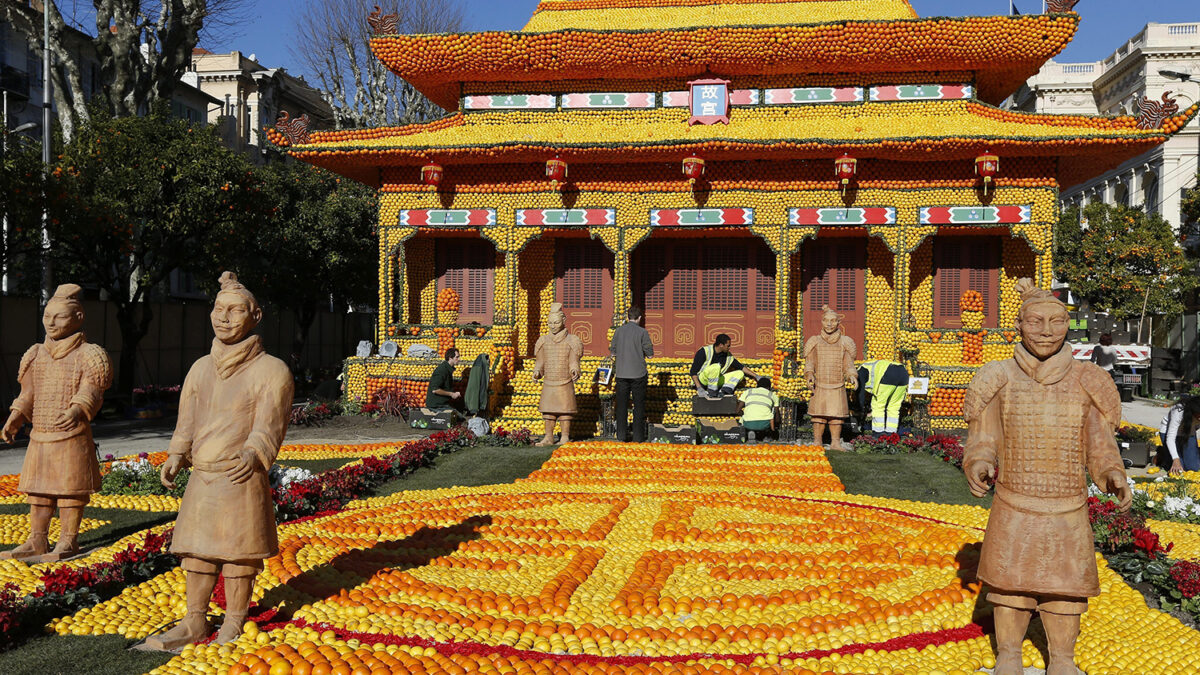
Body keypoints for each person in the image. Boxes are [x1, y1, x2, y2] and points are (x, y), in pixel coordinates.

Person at [963, 278, 1130, 675]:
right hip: (1013, 499)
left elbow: (1099, 442)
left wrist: (1111, 472)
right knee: (1008, 585)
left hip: (1066, 504)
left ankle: (1063, 659)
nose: (1046, 331)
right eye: (1036, 321)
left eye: (1056, 322)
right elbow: (984, 436)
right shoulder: (998, 377)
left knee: (1066, 588)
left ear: (1067, 325)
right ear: (1018, 325)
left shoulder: (1087, 380)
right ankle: (1009, 654)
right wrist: (979, 462)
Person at [150, 272, 293, 649]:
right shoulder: (200, 367)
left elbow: (270, 422)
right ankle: (194, 620)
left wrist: (254, 452)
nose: (224, 317)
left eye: (235, 310)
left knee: (238, 554)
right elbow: (188, 418)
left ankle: (234, 620)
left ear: (256, 316)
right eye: (218, 309)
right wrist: (178, 453)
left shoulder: (272, 370)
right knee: (196, 552)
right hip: (204, 475)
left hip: (240, 475)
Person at [0, 284, 112, 562]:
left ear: (78, 317)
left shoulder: (90, 353)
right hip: (40, 433)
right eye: (47, 316)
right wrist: (15, 417)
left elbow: (92, 389)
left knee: (70, 490)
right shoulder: (36, 353)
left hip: (71, 434)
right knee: (38, 490)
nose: (51, 322)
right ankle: (37, 540)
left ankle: (68, 541)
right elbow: (29, 393)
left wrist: (77, 409)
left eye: (59, 317)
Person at [804, 306, 857, 451]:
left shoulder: (845, 342)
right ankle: (817, 441)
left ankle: (835, 443)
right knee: (818, 416)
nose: (829, 324)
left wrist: (852, 375)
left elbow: (848, 364)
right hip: (820, 385)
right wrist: (809, 375)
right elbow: (810, 363)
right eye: (826, 321)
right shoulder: (814, 341)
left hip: (837, 385)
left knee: (836, 416)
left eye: (833, 321)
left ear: (838, 323)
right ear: (821, 322)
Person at [533, 303, 583, 446]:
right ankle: (548, 437)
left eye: (556, 322)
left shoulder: (572, 341)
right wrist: (537, 372)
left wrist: (575, 370)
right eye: (550, 323)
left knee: (565, 411)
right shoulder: (543, 341)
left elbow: (573, 361)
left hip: (564, 381)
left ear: (563, 321)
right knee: (548, 411)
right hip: (549, 380)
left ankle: (565, 437)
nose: (553, 325)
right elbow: (540, 361)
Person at [609, 306, 653, 442]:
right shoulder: (642, 332)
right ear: (640, 318)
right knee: (638, 406)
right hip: (638, 374)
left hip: (622, 373)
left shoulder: (618, 332)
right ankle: (638, 437)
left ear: (628, 317)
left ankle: (621, 436)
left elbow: (613, 351)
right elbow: (650, 354)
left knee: (621, 405)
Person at [690, 334, 759, 399]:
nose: (729, 348)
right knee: (716, 367)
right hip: (703, 380)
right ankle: (712, 391)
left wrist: (756, 376)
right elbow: (693, 372)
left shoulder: (727, 355)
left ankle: (724, 391)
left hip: (716, 381)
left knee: (740, 373)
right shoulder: (704, 351)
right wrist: (699, 388)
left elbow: (741, 367)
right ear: (721, 345)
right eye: (728, 346)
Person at [857, 359, 910, 434]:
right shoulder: (869, 365)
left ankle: (878, 433)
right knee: (894, 407)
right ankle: (891, 434)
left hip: (888, 374)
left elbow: (861, 392)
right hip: (903, 373)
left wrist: (861, 409)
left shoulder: (860, 371)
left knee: (878, 405)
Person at [1157, 395, 1200, 475]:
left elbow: (1196, 427)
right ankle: (1162, 455)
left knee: (1193, 468)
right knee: (1179, 470)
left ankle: (1180, 452)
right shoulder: (1178, 411)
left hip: (1188, 432)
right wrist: (1175, 459)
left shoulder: (1197, 416)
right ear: (1192, 412)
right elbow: (1170, 438)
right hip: (1168, 433)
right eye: (1198, 415)